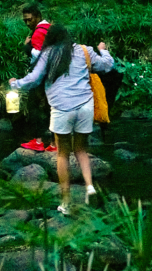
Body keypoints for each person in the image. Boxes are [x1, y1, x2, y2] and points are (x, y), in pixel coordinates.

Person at [9, 24, 113, 214]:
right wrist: (103, 51)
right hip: (84, 107)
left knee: (63, 154)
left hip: (62, 108)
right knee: (81, 149)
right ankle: (89, 186)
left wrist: (15, 84)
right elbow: (106, 66)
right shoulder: (83, 50)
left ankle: (66, 202)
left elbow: (34, 79)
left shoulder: (48, 54)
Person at [18, 2, 56, 152]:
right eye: (25, 20)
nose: (27, 23)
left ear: (37, 17)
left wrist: (27, 47)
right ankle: (54, 143)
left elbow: (41, 56)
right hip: (54, 76)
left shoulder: (39, 31)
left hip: (42, 76)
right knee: (51, 107)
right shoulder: (51, 29)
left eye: (29, 19)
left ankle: (38, 141)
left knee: (34, 106)